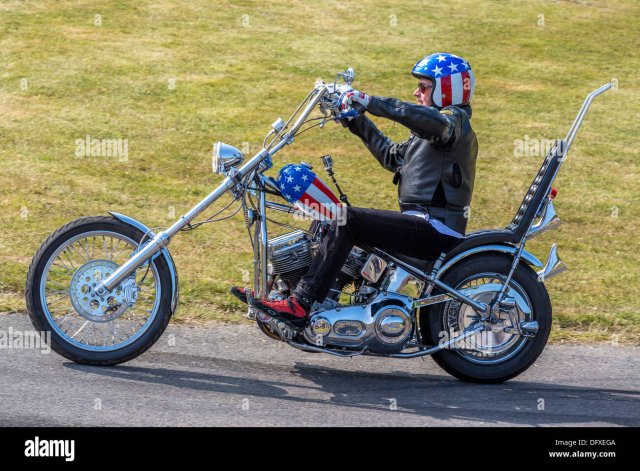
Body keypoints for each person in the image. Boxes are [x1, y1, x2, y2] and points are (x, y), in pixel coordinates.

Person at [233, 53, 479, 330]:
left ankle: (301, 304)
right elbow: (391, 157)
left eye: (424, 87)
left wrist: (368, 100)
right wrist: (355, 119)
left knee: (345, 218)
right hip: (420, 223)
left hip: (435, 229)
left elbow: (425, 120)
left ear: (447, 90)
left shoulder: (452, 123)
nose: (416, 92)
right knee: (327, 214)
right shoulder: (434, 132)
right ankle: (283, 292)